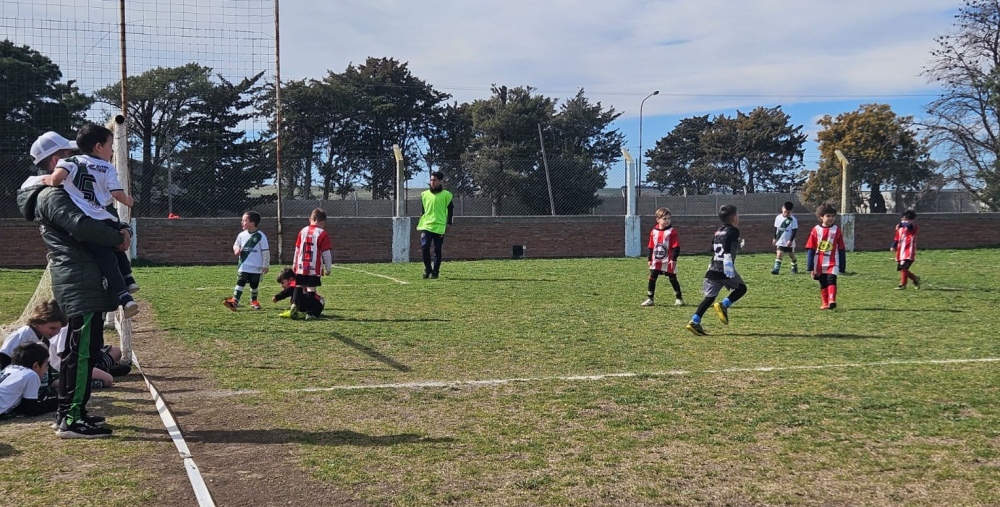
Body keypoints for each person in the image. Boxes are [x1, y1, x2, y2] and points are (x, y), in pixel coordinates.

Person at [18, 131, 127, 438]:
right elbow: (82, 227)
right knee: (79, 353)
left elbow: (96, 216)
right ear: (55, 162)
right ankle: (71, 419)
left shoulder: (66, 192)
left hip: (84, 280)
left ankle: (72, 412)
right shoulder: (53, 195)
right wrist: (119, 238)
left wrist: (120, 228)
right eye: (71, 155)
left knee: (84, 350)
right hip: (79, 282)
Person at [49, 124, 139, 318]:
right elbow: (117, 193)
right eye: (110, 146)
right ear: (99, 147)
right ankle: (127, 283)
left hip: (89, 220)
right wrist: (129, 201)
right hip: (105, 218)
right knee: (118, 245)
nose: (112, 150)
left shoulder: (70, 161)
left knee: (109, 254)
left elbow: (57, 179)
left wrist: (49, 181)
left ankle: (126, 293)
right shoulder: (107, 167)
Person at [685, 205, 748, 336]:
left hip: (713, 268)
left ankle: (694, 321)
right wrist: (727, 259)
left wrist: (736, 244)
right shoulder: (734, 230)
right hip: (724, 268)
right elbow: (725, 245)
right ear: (734, 217)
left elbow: (712, 248)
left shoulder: (718, 231)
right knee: (741, 288)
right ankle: (724, 305)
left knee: (708, 298)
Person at [281, 208, 332, 320]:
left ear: (310, 219)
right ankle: (310, 313)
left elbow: (297, 249)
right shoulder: (322, 233)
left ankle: (294, 304)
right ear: (322, 222)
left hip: (301, 265)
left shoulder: (302, 231)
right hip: (313, 267)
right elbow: (326, 253)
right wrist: (328, 268)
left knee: (298, 286)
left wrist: (294, 264)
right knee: (311, 289)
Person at [223, 211, 270, 311]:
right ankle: (235, 301)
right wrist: (236, 249)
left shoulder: (261, 236)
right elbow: (236, 244)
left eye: (244, 220)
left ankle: (254, 300)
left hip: (256, 266)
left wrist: (265, 264)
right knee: (240, 281)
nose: (241, 222)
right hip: (244, 264)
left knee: (254, 284)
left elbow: (265, 251)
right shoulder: (241, 235)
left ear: (252, 224)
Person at [1, 299, 66, 369]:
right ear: (39, 322)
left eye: (59, 329)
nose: (56, 332)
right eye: (52, 328)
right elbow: (3, 357)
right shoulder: (23, 334)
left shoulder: (44, 340)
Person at [0, 343, 58, 420]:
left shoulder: (9, 368)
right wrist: (57, 403)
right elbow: (31, 410)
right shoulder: (31, 375)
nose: (46, 370)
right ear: (36, 366)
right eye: (46, 365)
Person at [805, 203, 847, 310]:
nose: (831, 218)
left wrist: (842, 265)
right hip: (819, 261)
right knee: (823, 282)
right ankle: (825, 303)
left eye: (833, 216)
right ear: (821, 217)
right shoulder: (815, 230)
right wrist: (810, 266)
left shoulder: (836, 230)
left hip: (833, 261)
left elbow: (841, 248)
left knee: (831, 279)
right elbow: (811, 248)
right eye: (828, 216)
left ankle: (832, 300)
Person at [641, 207, 684, 307]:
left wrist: (674, 259)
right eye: (665, 219)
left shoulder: (672, 232)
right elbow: (651, 246)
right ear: (658, 219)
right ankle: (650, 298)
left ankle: (679, 298)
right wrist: (649, 259)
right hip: (656, 260)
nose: (667, 221)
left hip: (668, 260)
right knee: (652, 278)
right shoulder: (653, 232)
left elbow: (676, 246)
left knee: (672, 278)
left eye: (669, 219)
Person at [417, 171, 454, 279]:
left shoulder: (446, 195)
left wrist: (449, 223)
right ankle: (428, 268)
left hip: (439, 225)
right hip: (427, 225)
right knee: (425, 246)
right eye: (431, 180)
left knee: (437, 249)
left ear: (440, 181)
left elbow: (450, 209)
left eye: (435, 180)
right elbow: (423, 209)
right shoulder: (424, 194)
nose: (432, 182)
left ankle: (435, 271)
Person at [891, 209, 921, 290]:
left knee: (904, 267)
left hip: (909, 251)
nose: (904, 221)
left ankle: (903, 284)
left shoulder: (913, 227)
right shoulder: (900, 228)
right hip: (900, 251)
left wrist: (901, 224)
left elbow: (908, 226)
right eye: (902, 219)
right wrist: (893, 246)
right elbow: (896, 238)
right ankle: (915, 279)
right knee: (903, 269)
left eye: (906, 220)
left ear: (911, 220)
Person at [771, 201, 799, 275]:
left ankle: (794, 266)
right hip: (780, 239)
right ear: (782, 209)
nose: (786, 214)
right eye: (785, 212)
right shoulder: (778, 218)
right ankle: (776, 269)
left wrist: (790, 240)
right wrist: (774, 238)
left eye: (788, 213)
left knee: (791, 255)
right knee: (779, 254)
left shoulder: (793, 220)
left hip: (788, 241)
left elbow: (794, 231)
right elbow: (775, 228)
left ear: (791, 211)